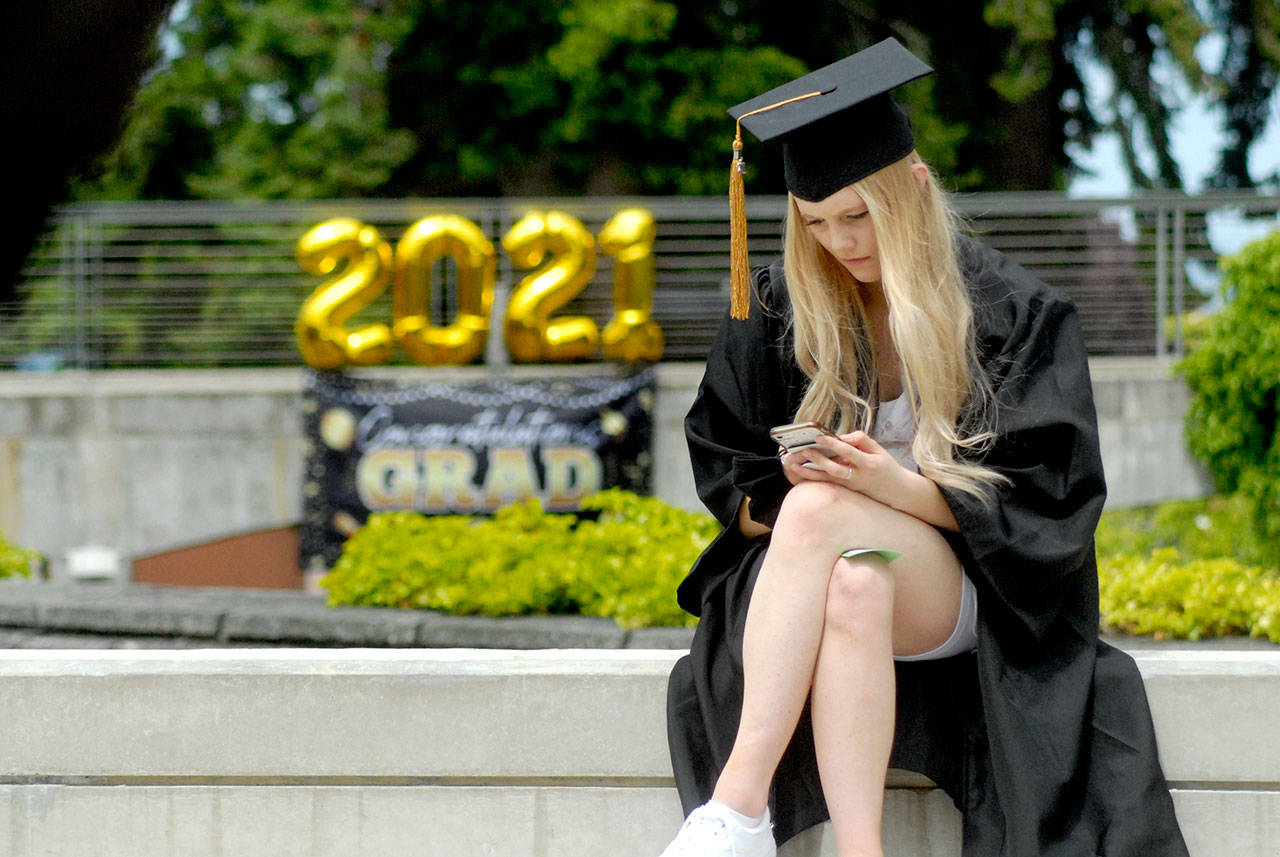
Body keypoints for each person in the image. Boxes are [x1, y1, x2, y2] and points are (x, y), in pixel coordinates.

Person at [661, 38, 1190, 857]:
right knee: (853, 581)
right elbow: (727, 466)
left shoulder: (1012, 312)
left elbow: (1046, 506)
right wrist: (792, 483)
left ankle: (737, 809)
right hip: (839, 577)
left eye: (856, 214)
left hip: (975, 590)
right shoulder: (780, 305)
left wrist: (882, 486)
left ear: (908, 188)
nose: (840, 242)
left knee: (825, 509)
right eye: (817, 223)